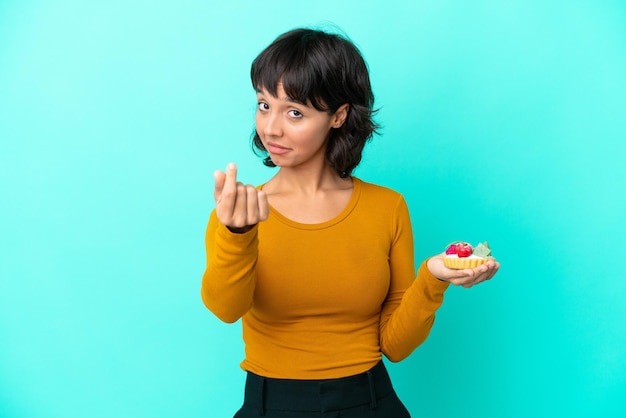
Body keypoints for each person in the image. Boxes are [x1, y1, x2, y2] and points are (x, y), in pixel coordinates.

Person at [201, 27, 500, 418]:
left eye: (294, 112)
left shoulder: (387, 208)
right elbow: (226, 308)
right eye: (263, 104)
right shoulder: (239, 210)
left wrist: (432, 278)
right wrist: (237, 235)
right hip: (271, 405)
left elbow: (394, 346)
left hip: (370, 402)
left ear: (339, 115)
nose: (271, 127)